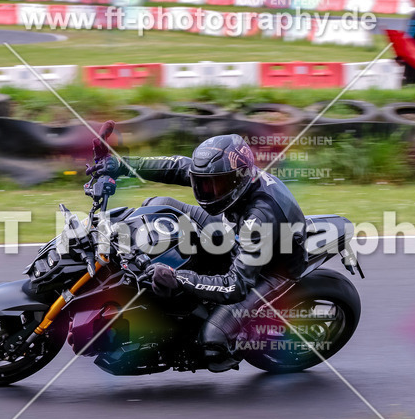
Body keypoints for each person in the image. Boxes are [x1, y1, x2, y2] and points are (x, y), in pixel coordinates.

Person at [89, 134, 307, 372]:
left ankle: (236, 340)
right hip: (231, 226)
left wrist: (177, 277)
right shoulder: (227, 178)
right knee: (158, 204)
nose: (207, 192)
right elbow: (173, 167)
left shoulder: (260, 217)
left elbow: (236, 285)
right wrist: (120, 164)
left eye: (217, 185)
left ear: (239, 180)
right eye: (202, 183)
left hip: (272, 269)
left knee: (212, 339)